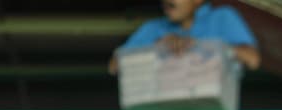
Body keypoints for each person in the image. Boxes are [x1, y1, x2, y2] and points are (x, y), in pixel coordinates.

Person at [109, 0, 261, 75]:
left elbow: (252, 60)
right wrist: (157, 47)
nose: (167, 2)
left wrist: (200, 46)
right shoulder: (153, 27)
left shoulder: (222, 17)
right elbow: (114, 67)